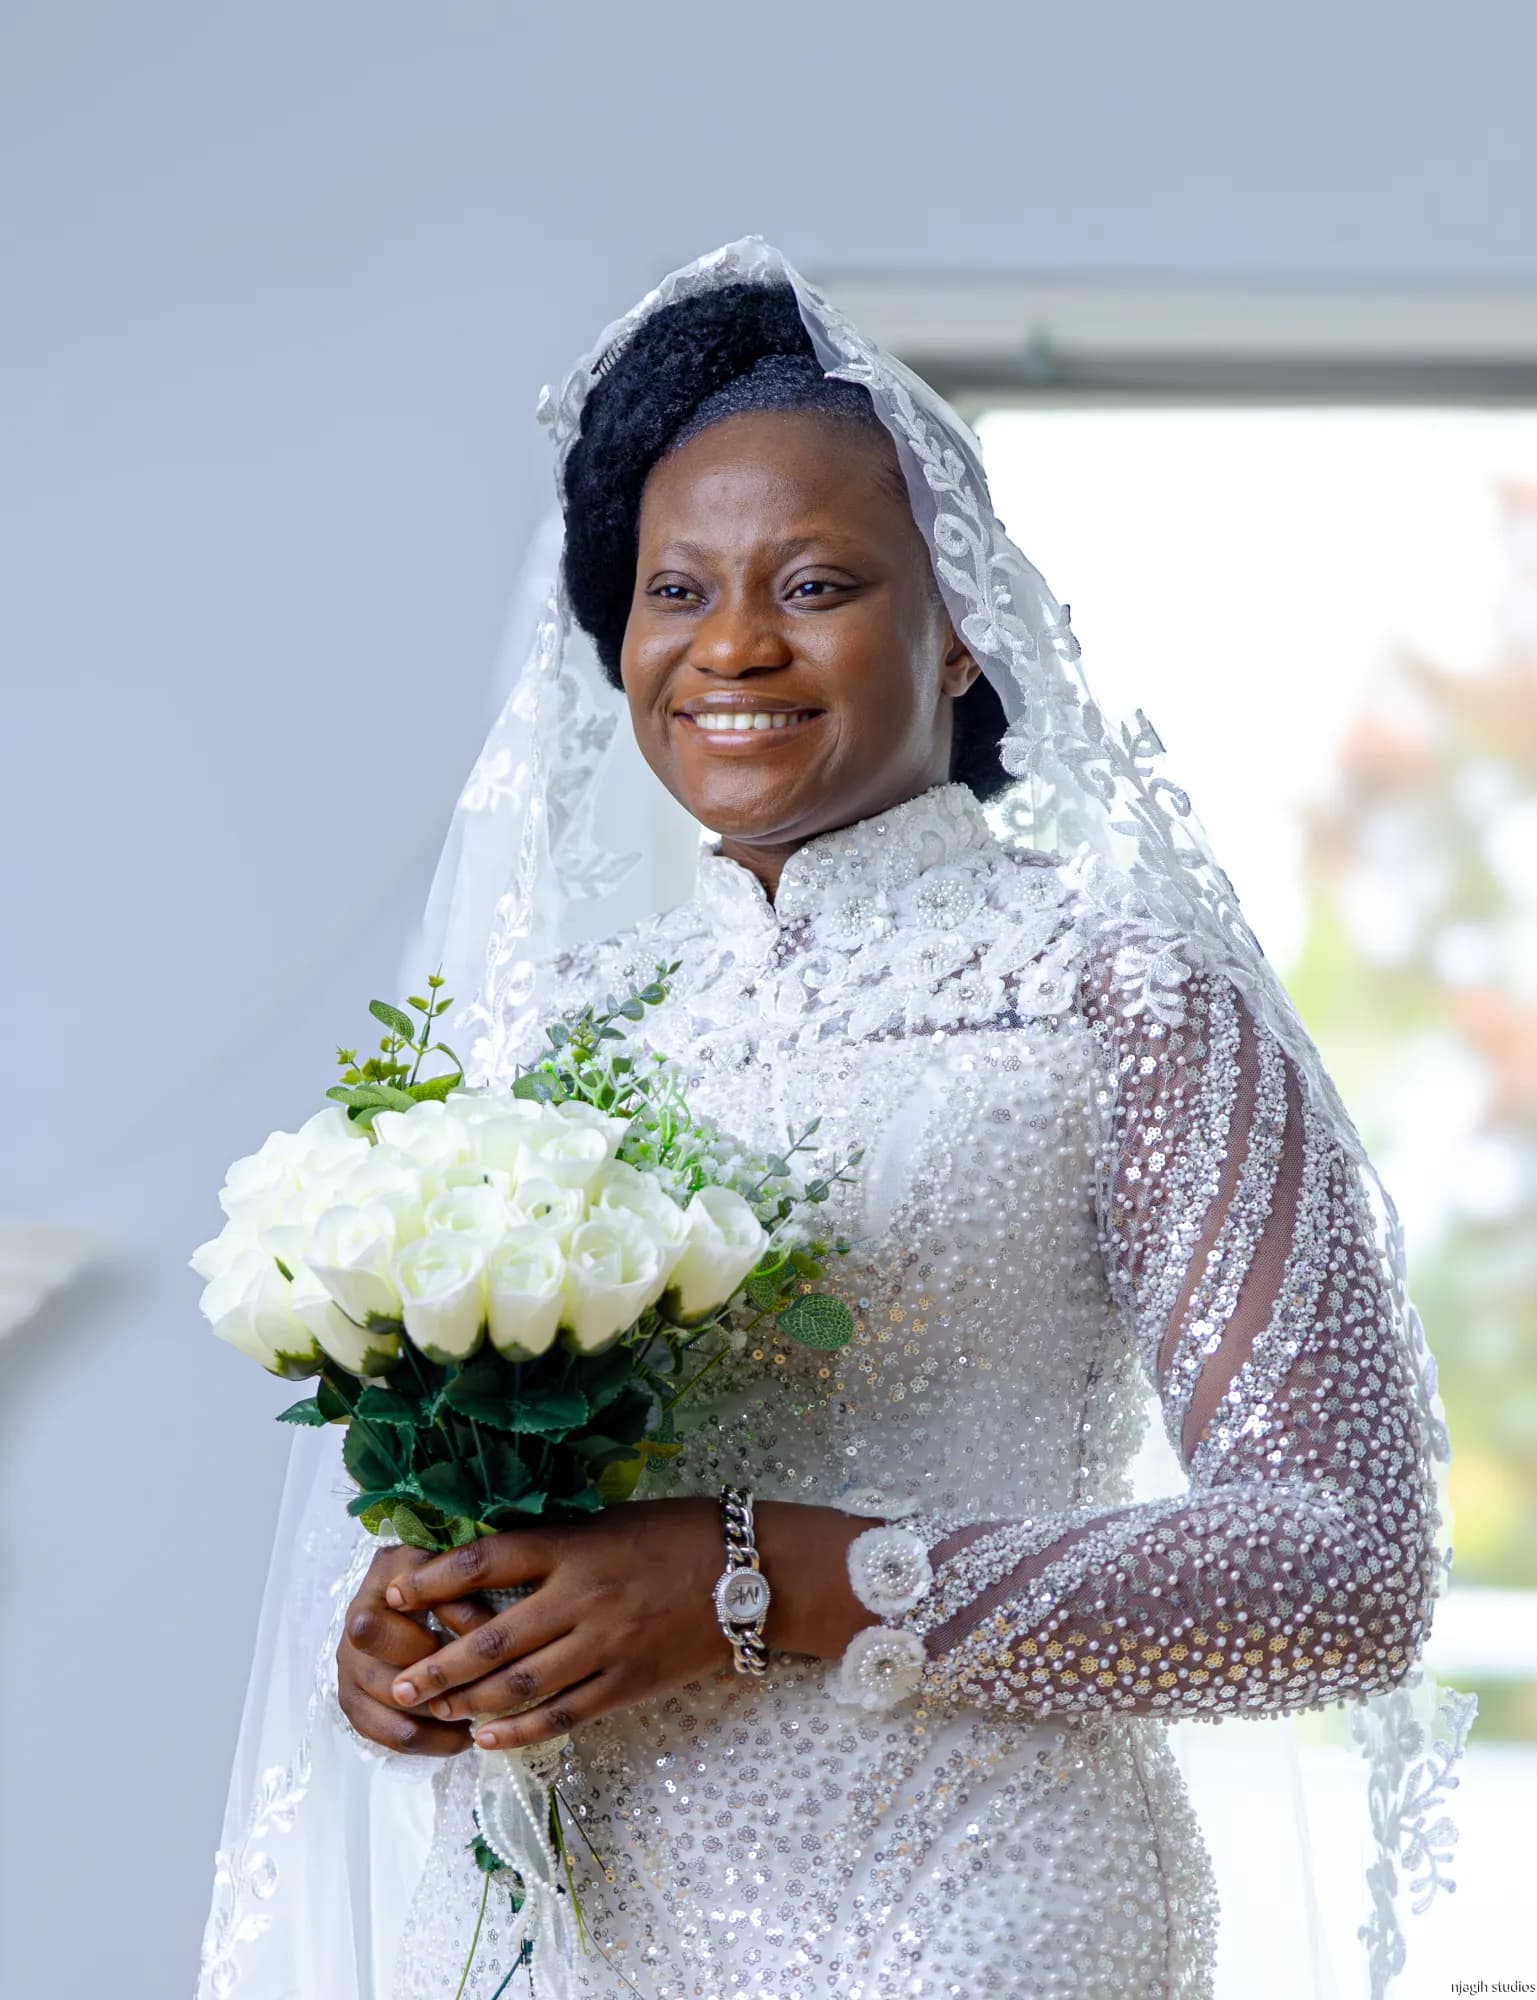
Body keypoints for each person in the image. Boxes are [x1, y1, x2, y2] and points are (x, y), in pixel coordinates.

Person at [195, 239, 1476, 2000]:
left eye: (814, 584)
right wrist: (431, 1636)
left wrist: (753, 1580)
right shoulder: (571, 1030)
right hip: (597, 1925)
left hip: (978, 1916)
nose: (729, 643)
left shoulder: (1117, 990)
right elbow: (549, 1506)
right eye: (672, 590)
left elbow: (1337, 1569)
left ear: (961, 632)